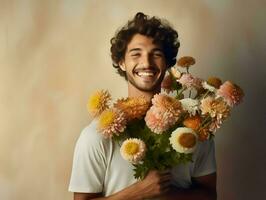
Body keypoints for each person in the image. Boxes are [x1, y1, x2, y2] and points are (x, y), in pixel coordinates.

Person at [69, 12, 217, 200]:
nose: (146, 63)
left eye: (156, 54)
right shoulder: (95, 136)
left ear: (167, 62)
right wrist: (137, 193)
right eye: (136, 54)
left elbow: (211, 196)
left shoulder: (194, 129)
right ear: (121, 62)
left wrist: (168, 194)